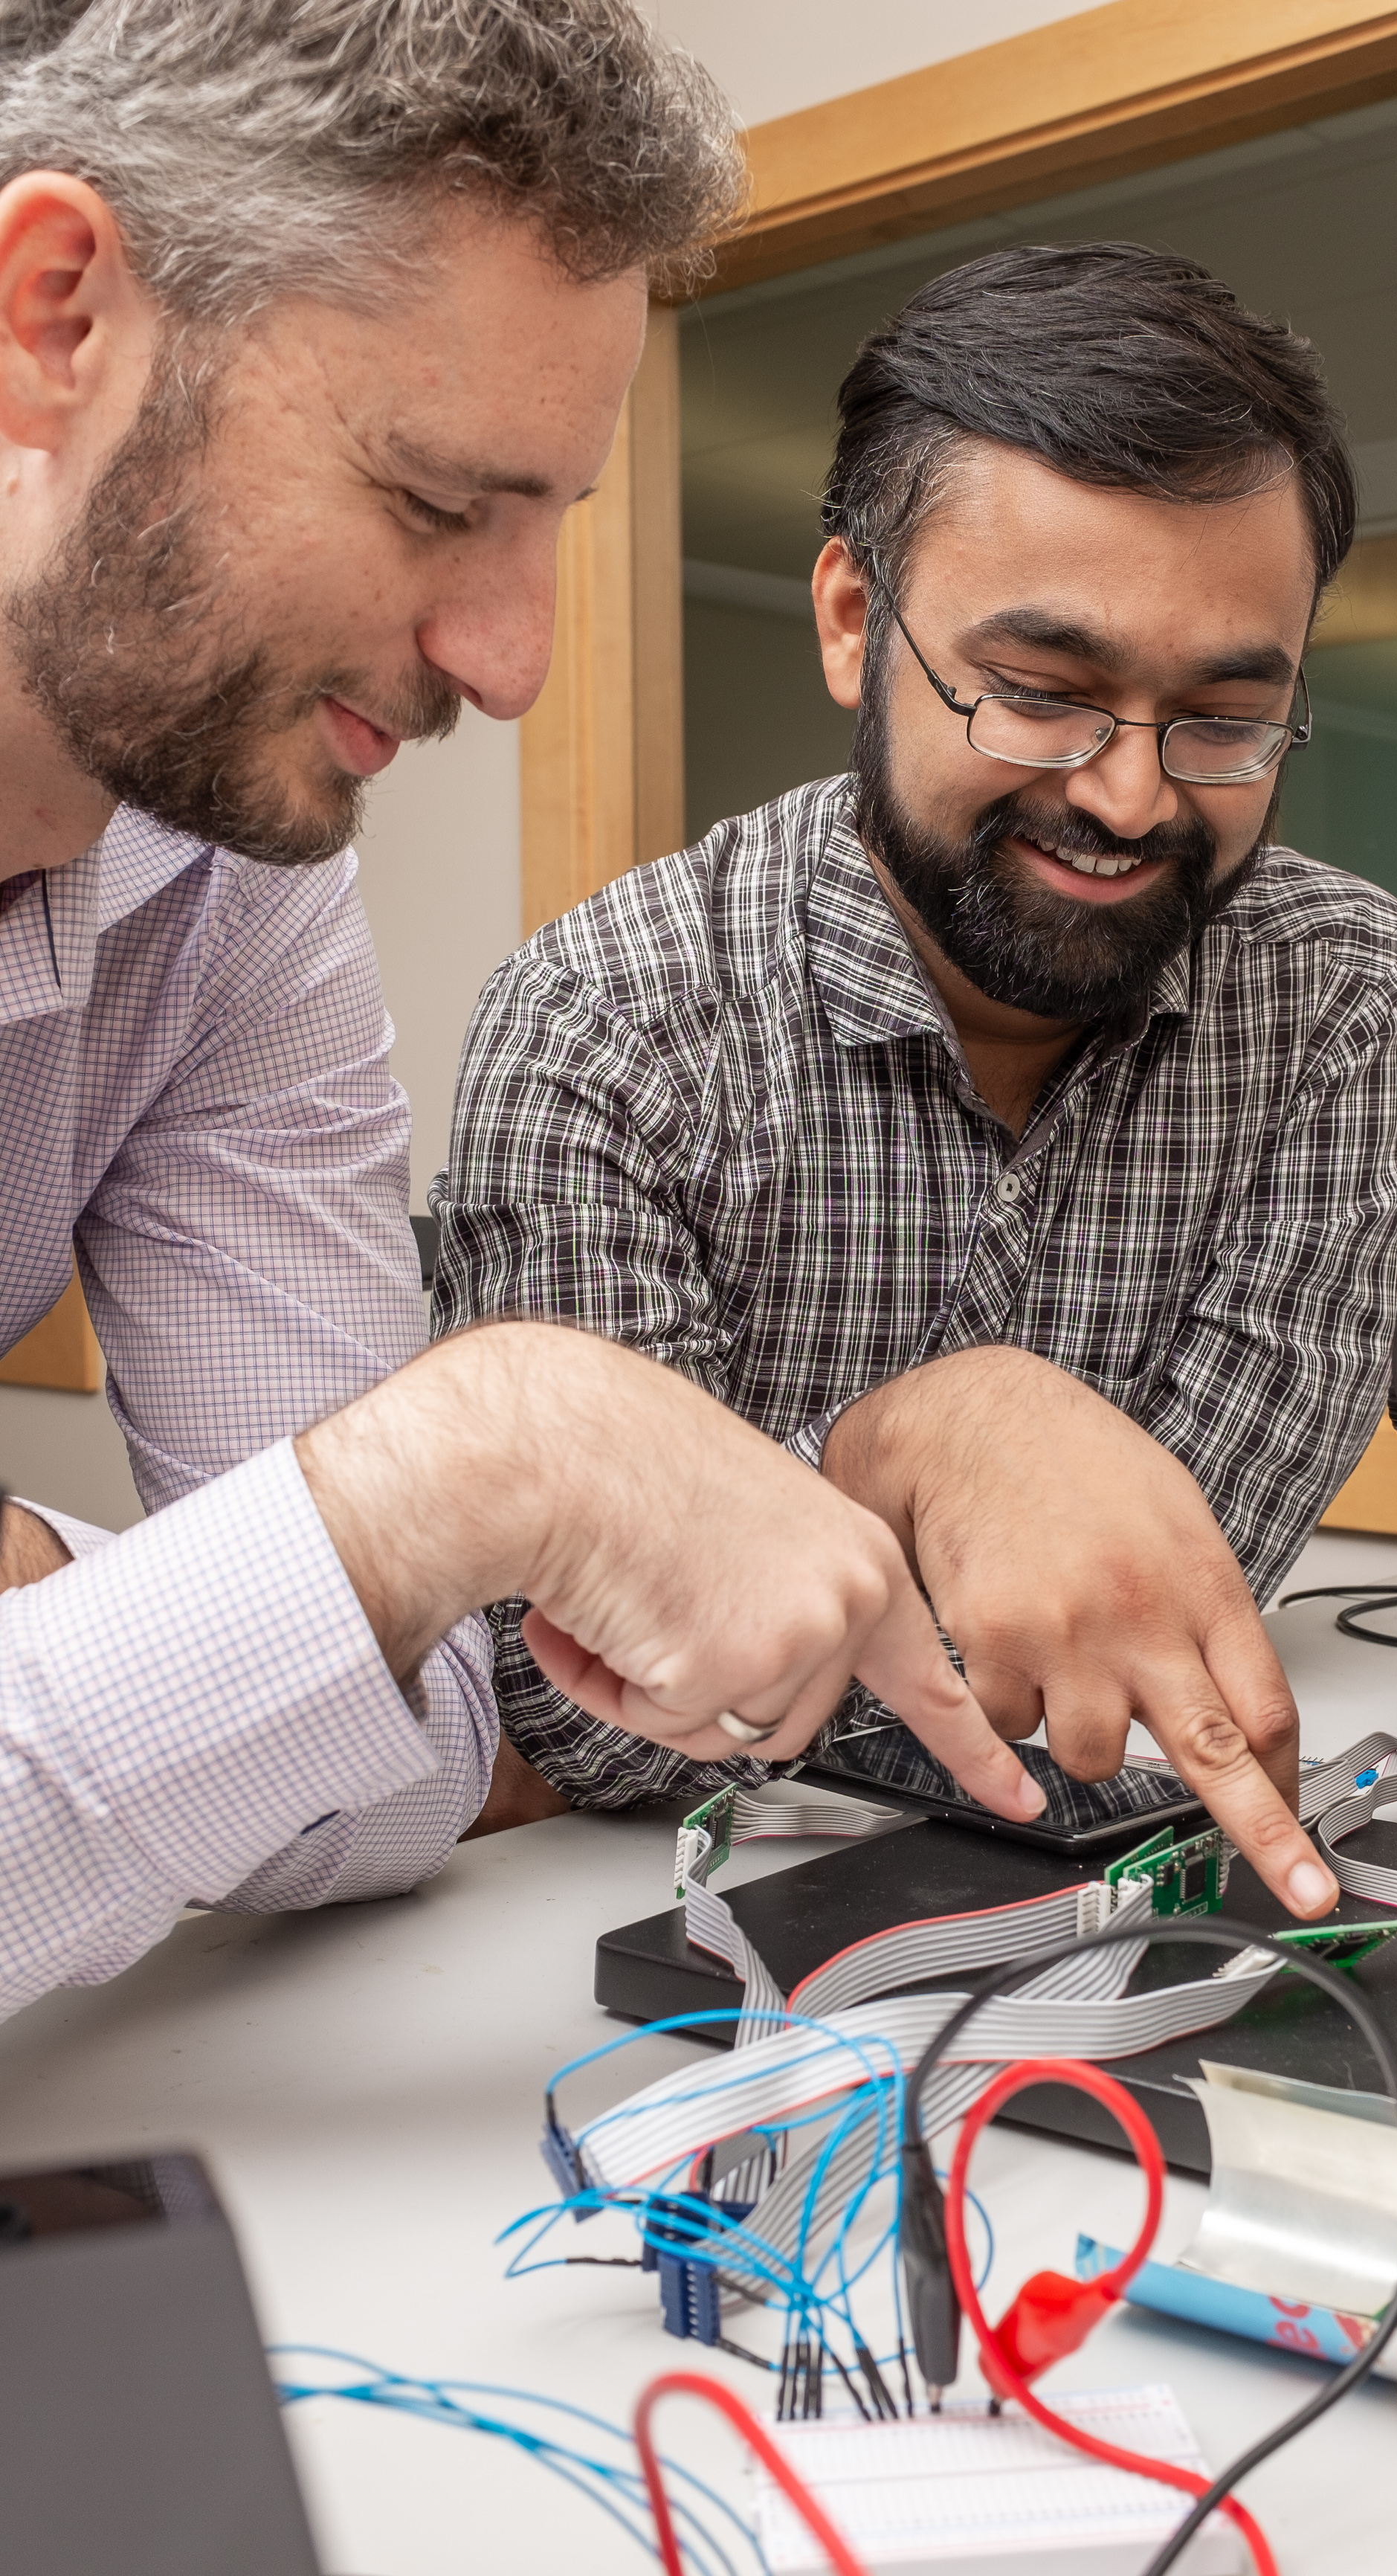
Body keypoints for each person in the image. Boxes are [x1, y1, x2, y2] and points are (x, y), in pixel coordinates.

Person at [0, 0, 1047, 2025]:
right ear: (57, 318)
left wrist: (56, 1595)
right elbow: (341, 1610)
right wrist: (455, 1470)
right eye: (426, 499)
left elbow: (377, 1777)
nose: (510, 662)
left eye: (546, 523)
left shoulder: (234, 893)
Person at [436, 242, 1397, 1921]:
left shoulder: (1341, 997)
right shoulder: (601, 1024)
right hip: (676, 1955)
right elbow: (585, 1719)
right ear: (853, 620)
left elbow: (1149, 1640)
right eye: (1044, 696)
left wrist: (771, 1571)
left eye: (1220, 719)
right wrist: (905, 1446)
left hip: (1084, 1928)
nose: (1130, 797)